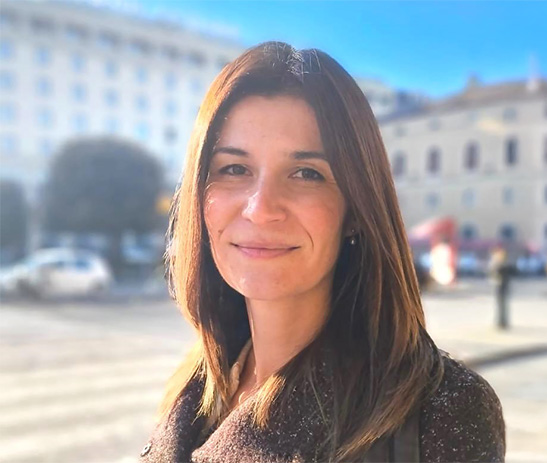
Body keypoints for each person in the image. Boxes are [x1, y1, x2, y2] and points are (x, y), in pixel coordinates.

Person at [140, 42, 505, 462]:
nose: (260, 209)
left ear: (355, 210)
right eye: (234, 169)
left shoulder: (439, 412)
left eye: (306, 173)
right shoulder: (193, 386)